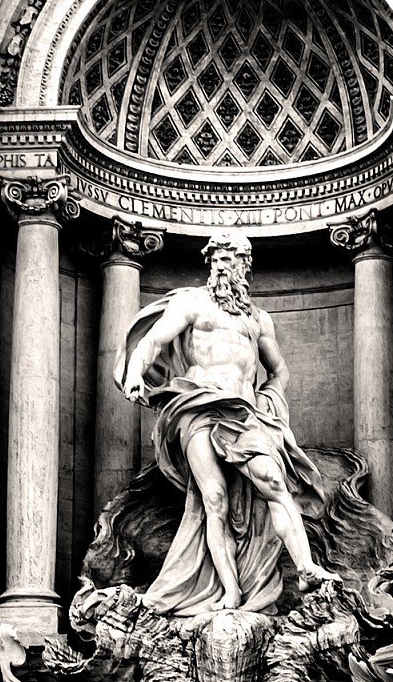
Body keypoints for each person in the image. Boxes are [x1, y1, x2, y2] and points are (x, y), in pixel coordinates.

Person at [119, 231, 338, 616]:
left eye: (229, 259)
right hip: (197, 407)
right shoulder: (192, 303)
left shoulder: (258, 319)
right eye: (216, 259)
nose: (220, 266)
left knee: (273, 481)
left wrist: (270, 401)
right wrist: (135, 373)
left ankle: (305, 569)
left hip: (243, 413)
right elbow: (152, 343)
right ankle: (231, 592)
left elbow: (280, 371)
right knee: (214, 500)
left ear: (244, 266)